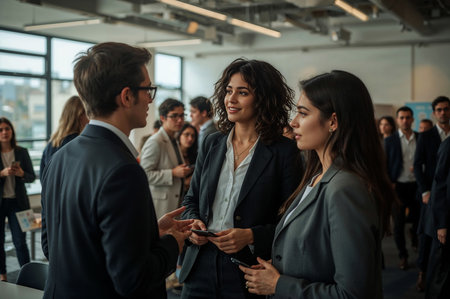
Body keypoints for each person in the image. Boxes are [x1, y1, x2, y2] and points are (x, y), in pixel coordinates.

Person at [40, 42, 192, 299]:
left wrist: (148, 233)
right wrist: (171, 244)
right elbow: (133, 280)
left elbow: (55, 245)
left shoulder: (62, 154)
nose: (149, 99)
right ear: (126, 96)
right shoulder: (122, 169)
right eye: (148, 90)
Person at [239, 70, 394, 298]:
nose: (293, 122)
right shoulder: (317, 177)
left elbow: (352, 293)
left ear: (333, 121)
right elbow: (319, 253)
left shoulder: (345, 188)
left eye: (303, 113)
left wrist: (279, 284)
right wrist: (284, 264)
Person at [179, 58, 302, 299]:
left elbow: (292, 222)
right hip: (199, 264)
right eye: (228, 91)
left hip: (248, 269)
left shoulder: (284, 151)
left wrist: (251, 235)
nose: (231, 100)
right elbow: (191, 199)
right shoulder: (212, 143)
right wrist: (192, 224)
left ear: (263, 99)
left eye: (242, 92)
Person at [414, 96, 450, 291]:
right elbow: (417, 165)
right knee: (427, 237)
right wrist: (425, 191)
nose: (443, 112)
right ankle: (422, 273)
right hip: (431, 195)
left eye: (446, 109)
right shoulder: (426, 136)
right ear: (434, 113)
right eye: (439, 109)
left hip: (447, 197)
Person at [140, 98, 192, 219]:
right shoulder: (155, 141)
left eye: (182, 115)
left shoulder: (174, 139)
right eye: (174, 116)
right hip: (160, 206)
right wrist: (173, 173)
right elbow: (144, 174)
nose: (180, 120)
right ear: (162, 118)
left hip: (175, 201)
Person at [0, 117, 35, 282]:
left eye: (7, 128)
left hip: (17, 202)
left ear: (12, 131)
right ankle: (3, 276)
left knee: (20, 242)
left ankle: (27, 275)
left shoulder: (22, 152)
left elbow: (31, 177)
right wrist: (1, 174)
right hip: (1, 203)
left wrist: (21, 174)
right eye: (0, 130)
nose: (4, 132)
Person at [385, 106, 419, 270]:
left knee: (419, 221)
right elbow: (384, 165)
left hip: (417, 187)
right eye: (402, 117)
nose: (405, 120)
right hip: (397, 187)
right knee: (398, 225)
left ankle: (415, 239)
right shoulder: (389, 141)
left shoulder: (421, 138)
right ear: (397, 120)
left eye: (408, 117)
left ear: (412, 119)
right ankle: (403, 255)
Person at [40, 95, 88, 176]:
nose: (90, 118)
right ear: (80, 115)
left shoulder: (51, 144)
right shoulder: (80, 143)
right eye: (88, 113)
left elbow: (43, 177)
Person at [427, 137, 450, 298]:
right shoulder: (448, 145)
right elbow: (439, 184)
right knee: (440, 273)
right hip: (445, 222)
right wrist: (442, 224)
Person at [177, 123, 198, 195]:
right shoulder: (173, 155)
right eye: (187, 134)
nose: (190, 139)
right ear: (179, 135)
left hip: (190, 194)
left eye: (193, 136)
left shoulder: (196, 155)